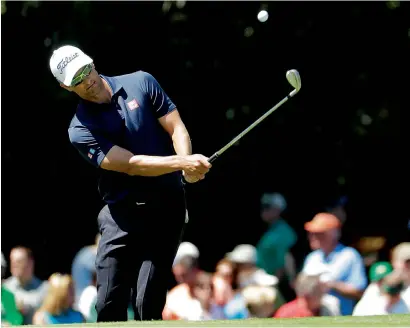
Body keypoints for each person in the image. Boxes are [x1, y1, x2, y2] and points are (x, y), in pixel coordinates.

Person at [48, 45, 212, 322]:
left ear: (92, 63)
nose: (87, 80)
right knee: (109, 303)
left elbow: (176, 127)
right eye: (77, 79)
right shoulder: (80, 129)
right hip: (121, 214)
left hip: (167, 205)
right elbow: (131, 164)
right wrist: (182, 163)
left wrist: (188, 165)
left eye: (86, 70)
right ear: (66, 86)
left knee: (148, 302)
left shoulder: (141, 81)